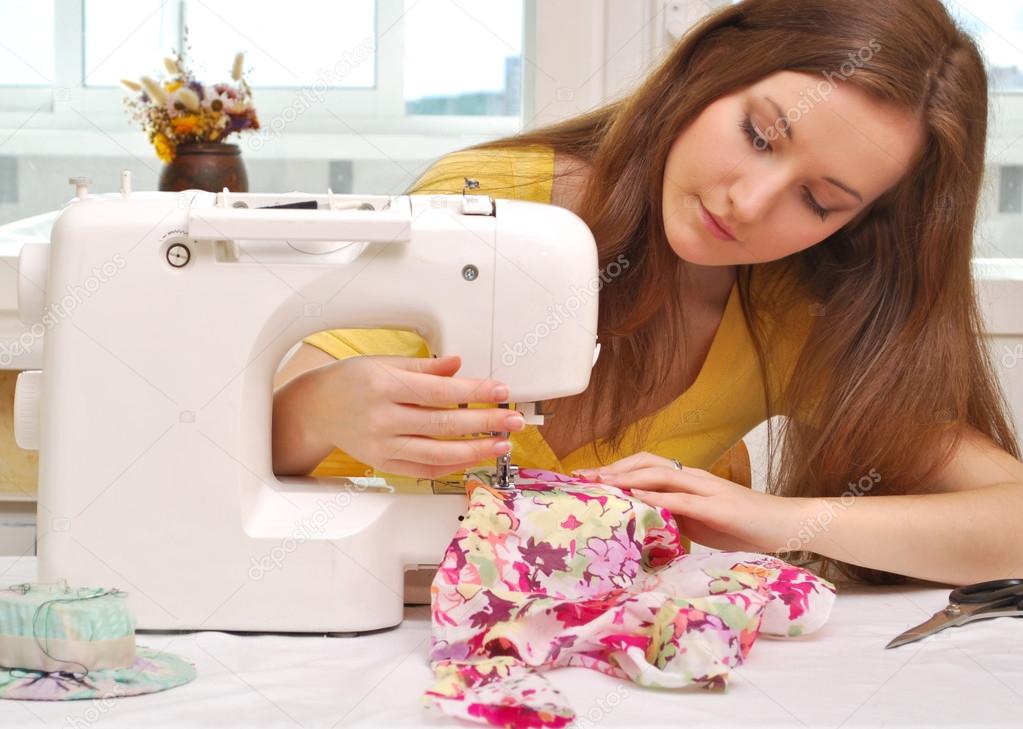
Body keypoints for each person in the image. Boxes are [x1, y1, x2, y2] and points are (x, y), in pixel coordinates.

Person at [272, 0, 1023, 586]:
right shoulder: (492, 202)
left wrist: (779, 520)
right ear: (710, 68)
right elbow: (234, 439)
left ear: (860, 226)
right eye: (759, 136)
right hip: (328, 612)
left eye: (819, 201)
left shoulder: (792, 317)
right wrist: (324, 406)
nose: (749, 203)